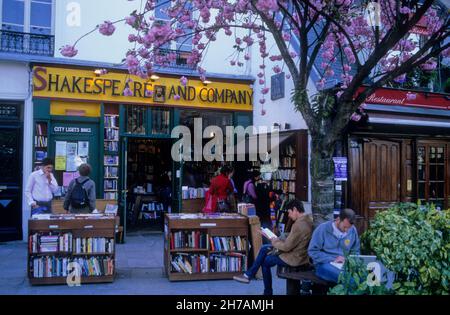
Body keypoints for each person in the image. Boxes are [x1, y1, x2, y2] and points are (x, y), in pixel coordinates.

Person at [233, 199, 313, 295]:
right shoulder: (307, 220)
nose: (289, 215)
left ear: (295, 209)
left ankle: (265, 289)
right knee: (264, 248)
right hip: (299, 253)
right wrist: (281, 238)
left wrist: (275, 241)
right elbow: (295, 238)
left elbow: (287, 247)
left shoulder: (299, 225)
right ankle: (249, 275)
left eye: (289, 212)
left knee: (265, 261)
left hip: (295, 258)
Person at [308, 208, 360, 284]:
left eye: (349, 228)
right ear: (338, 219)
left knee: (367, 277)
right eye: (345, 227)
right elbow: (312, 251)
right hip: (324, 264)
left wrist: (351, 261)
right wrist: (333, 259)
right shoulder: (322, 229)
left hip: (345, 264)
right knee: (348, 279)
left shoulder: (352, 230)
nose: (346, 230)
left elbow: (356, 251)